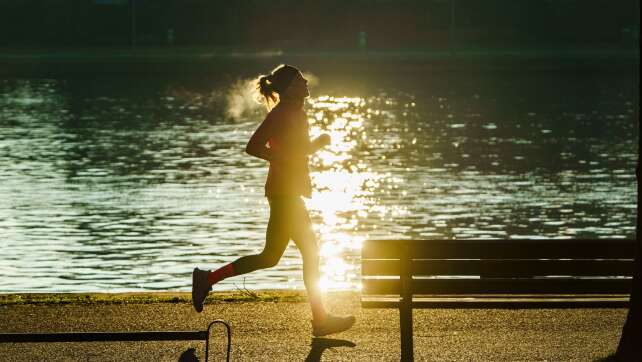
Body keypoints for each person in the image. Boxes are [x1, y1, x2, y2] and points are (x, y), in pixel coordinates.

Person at [192, 64, 356, 337]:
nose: (306, 81)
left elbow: (297, 151)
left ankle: (208, 278)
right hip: (284, 194)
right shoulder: (281, 114)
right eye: (300, 79)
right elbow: (253, 146)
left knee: (272, 257)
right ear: (290, 87)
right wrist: (286, 156)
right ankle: (320, 320)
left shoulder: (296, 112)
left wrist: (315, 145)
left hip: (289, 193)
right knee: (306, 255)